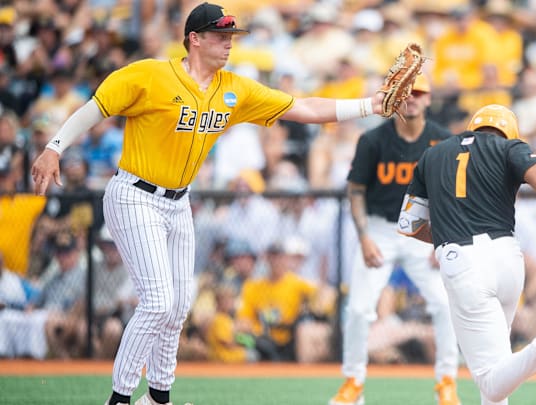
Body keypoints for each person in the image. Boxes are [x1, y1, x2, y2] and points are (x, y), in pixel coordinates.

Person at [30, 4, 390, 405]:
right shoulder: (149, 74)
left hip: (178, 202)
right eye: (220, 36)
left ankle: (159, 397)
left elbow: (302, 108)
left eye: (231, 38)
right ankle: (119, 399)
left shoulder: (234, 89)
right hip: (134, 194)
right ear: (194, 39)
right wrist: (54, 146)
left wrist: (369, 105)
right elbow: (96, 107)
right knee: (158, 302)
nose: (228, 44)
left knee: (179, 305)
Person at [397, 104, 536, 404]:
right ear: (508, 132)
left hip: (462, 260)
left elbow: (410, 224)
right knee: (499, 371)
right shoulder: (509, 147)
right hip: (507, 258)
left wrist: (448, 236)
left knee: (491, 382)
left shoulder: (432, 154)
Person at [329, 74, 461, 405]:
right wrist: (363, 238)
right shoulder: (373, 140)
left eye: (419, 93)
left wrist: (441, 239)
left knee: (445, 304)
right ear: (396, 98)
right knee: (359, 308)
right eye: (406, 93)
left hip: (421, 227)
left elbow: (450, 197)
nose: (412, 98)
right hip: (379, 226)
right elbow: (356, 190)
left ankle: (447, 381)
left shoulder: (443, 141)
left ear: (430, 99)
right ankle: (353, 383)